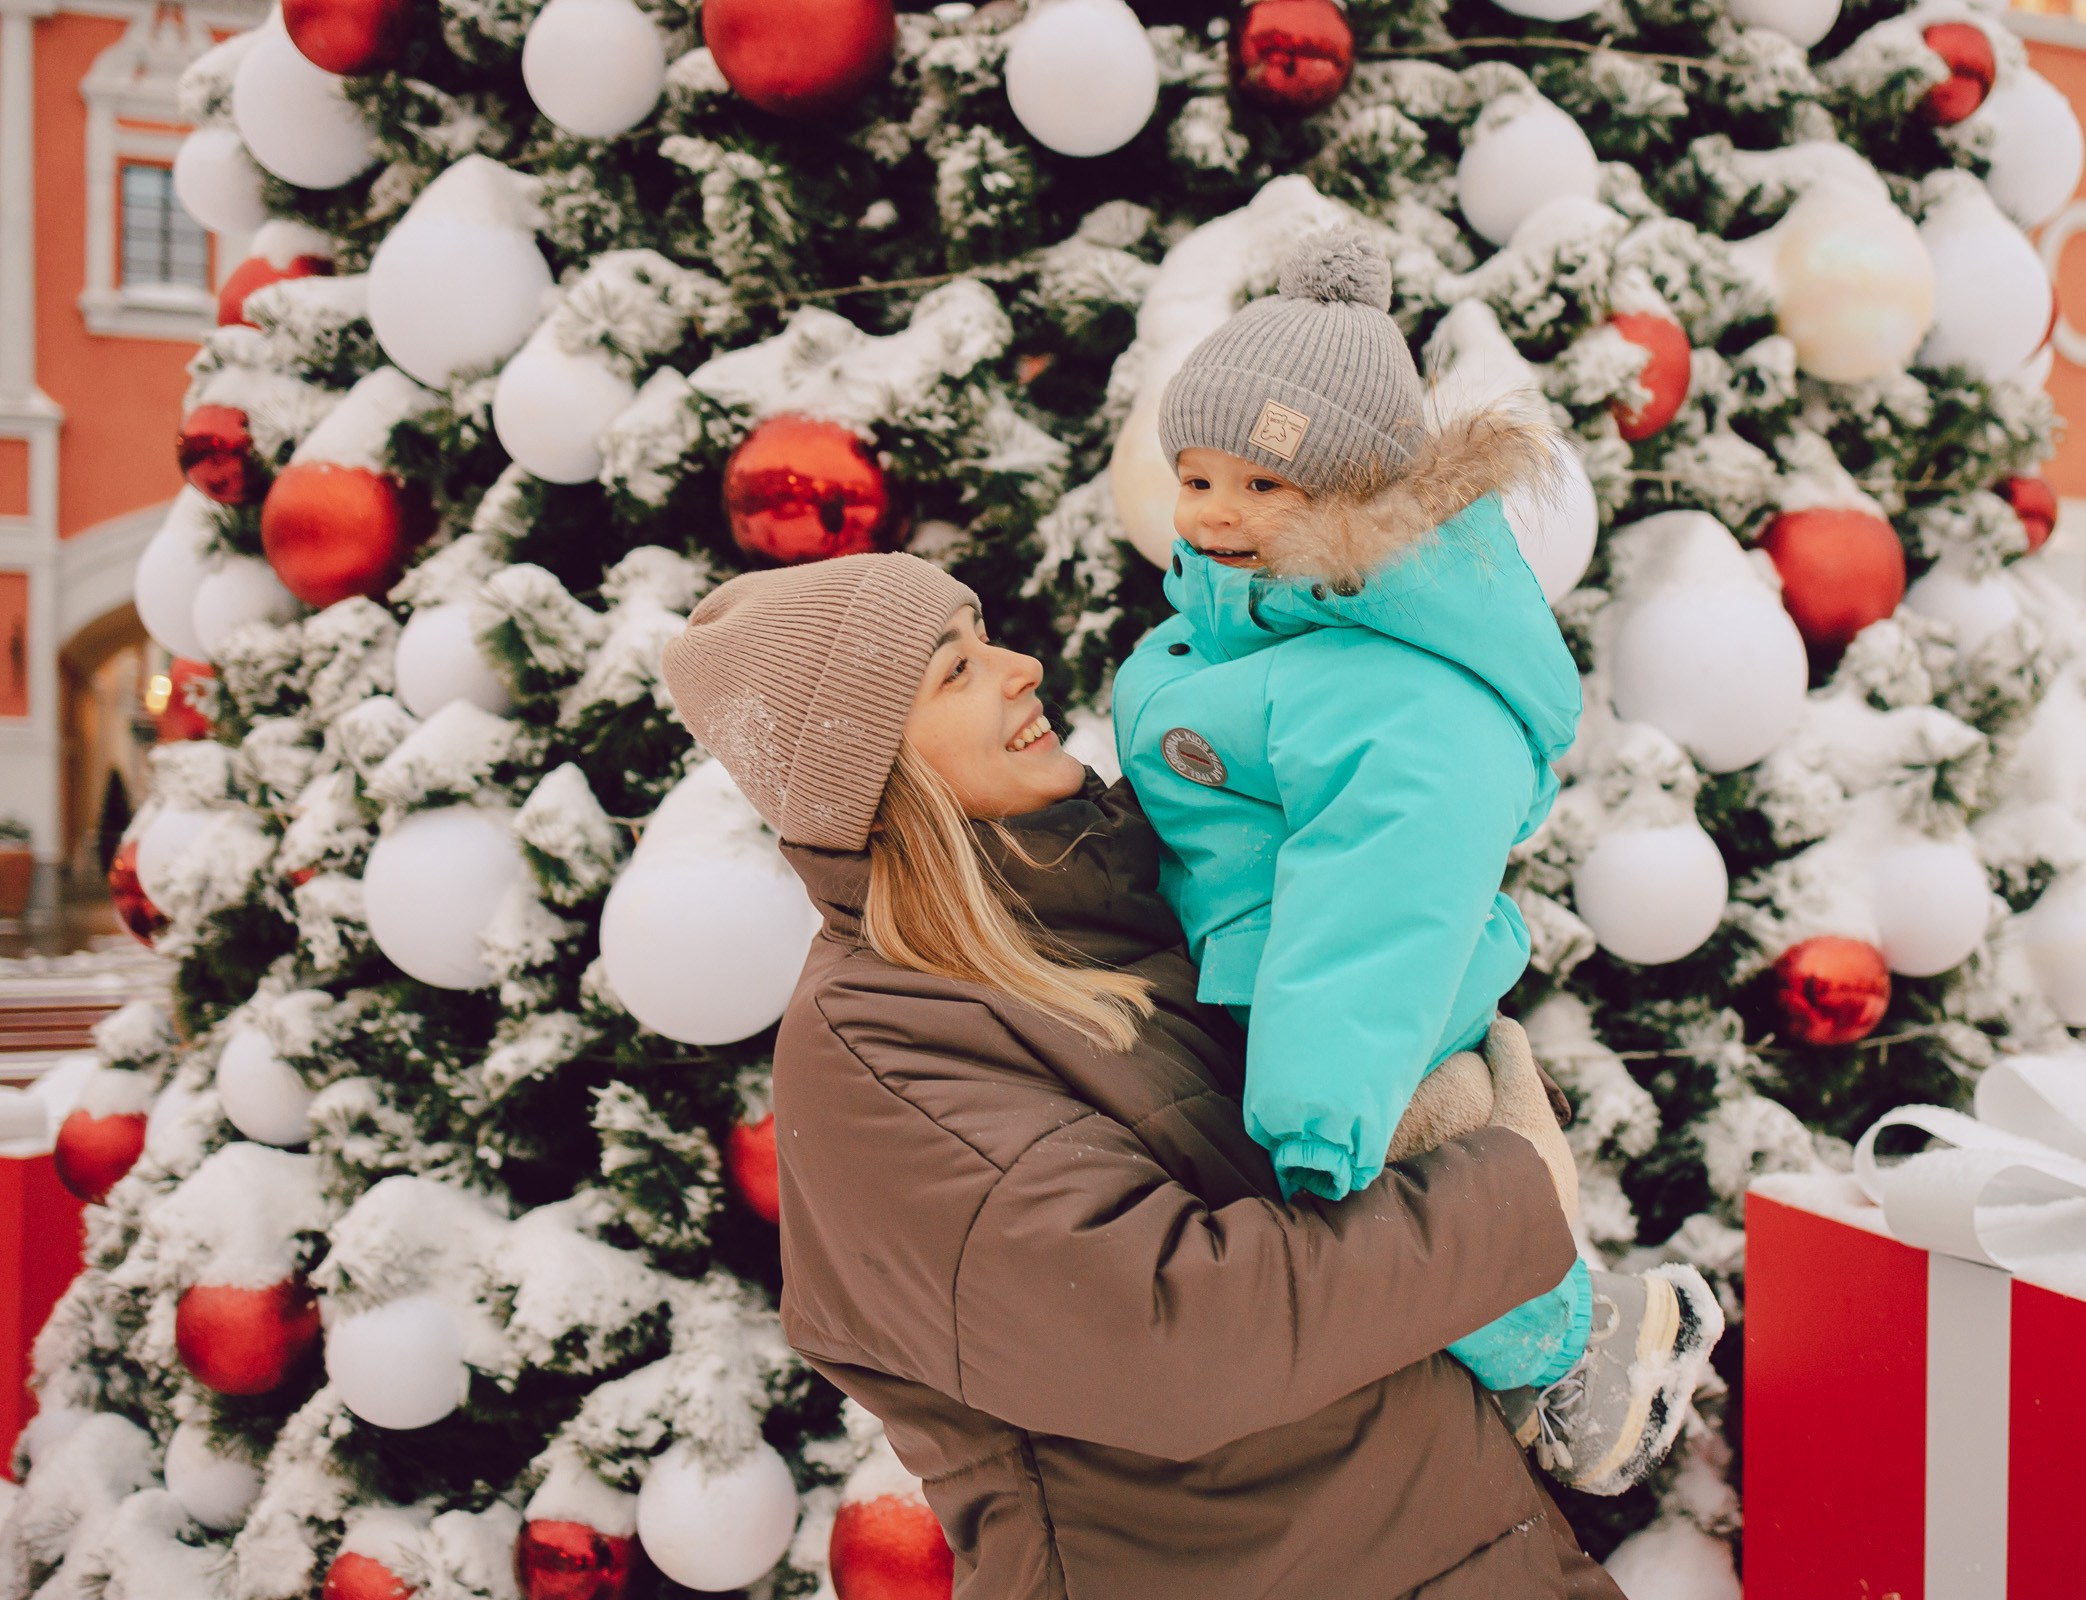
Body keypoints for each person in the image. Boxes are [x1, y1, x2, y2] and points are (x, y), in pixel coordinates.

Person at [661, 553, 1627, 1599]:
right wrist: (1505, 1189)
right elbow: (1177, 1335)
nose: (1022, 666)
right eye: (954, 669)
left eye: (986, 634)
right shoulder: (877, 1051)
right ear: (871, 771)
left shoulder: (1114, 899)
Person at [1114, 231, 1721, 1495]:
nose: (1217, 511)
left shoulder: (1391, 685)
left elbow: (1378, 891)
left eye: (1266, 488)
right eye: (1197, 476)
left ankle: (1575, 1350)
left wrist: (1323, 1101)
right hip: (1281, 987)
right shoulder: (1245, 617)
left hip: (1348, 1019)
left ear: (1356, 501)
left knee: (1405, 1181)